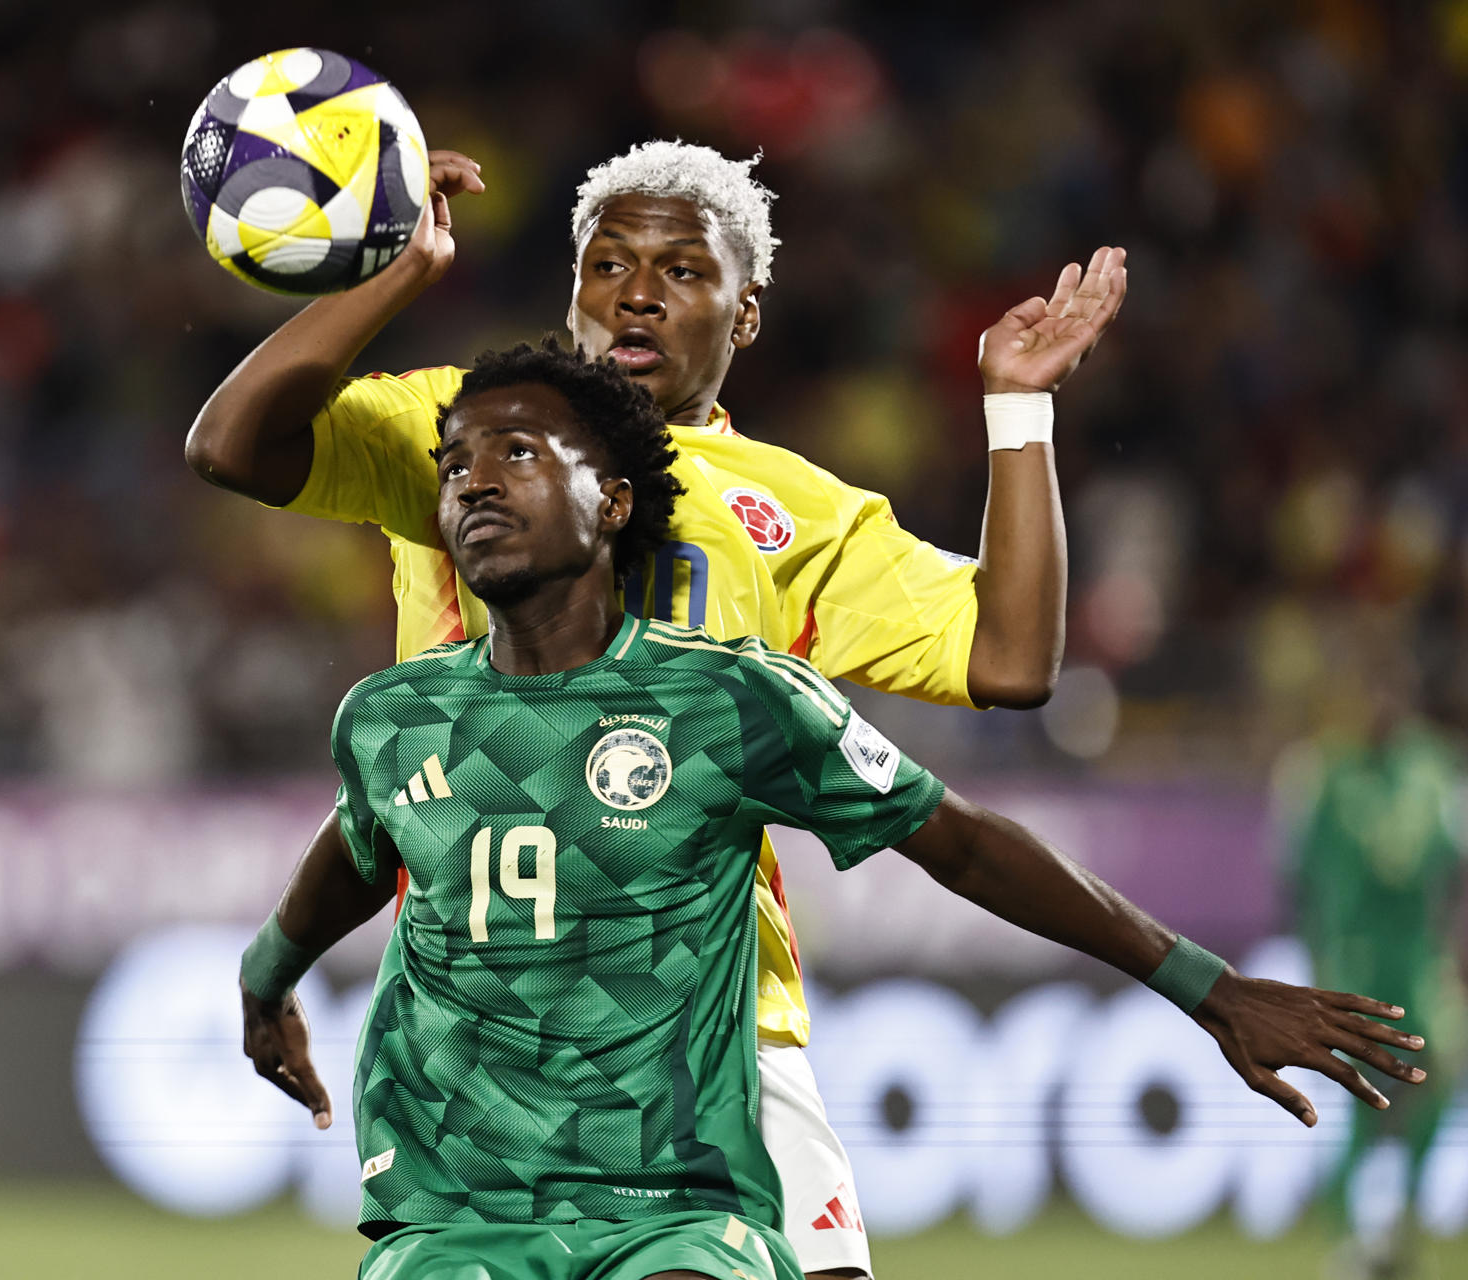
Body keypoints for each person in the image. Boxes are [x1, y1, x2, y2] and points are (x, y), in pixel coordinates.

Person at [239, 343, 1426, 1280]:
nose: (472, 481)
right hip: (450, 1210)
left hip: (672, 1212)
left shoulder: (728, 699)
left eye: (515, 454)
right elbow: (356, 849)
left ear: (611, 500)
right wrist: (264, 976)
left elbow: (958, 839)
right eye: (454, 465)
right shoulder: (392, 716)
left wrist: (1206, 987)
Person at [191, 140, 1125, 1277]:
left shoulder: (796, 509)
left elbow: (1011, 654)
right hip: (491, 1013)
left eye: (684, 269)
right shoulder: (460, 429)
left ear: (747, 315)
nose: (637, 290)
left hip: (707, 1017)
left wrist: (1017, 412)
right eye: (608, 263)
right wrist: (395, 275)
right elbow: (234, 444)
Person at [1274, 644, 1466, 1279]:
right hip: (1351, 957)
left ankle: (1404, 1223)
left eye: (1391, 693)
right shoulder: (1320, 772)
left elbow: (1455, 870)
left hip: (1419, 957)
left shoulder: (1438, 771)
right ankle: (1353, 1239)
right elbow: (1294, 872)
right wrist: (1313, 949)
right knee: (1356, 1092)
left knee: (1436, 1079)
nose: (1382, 707)